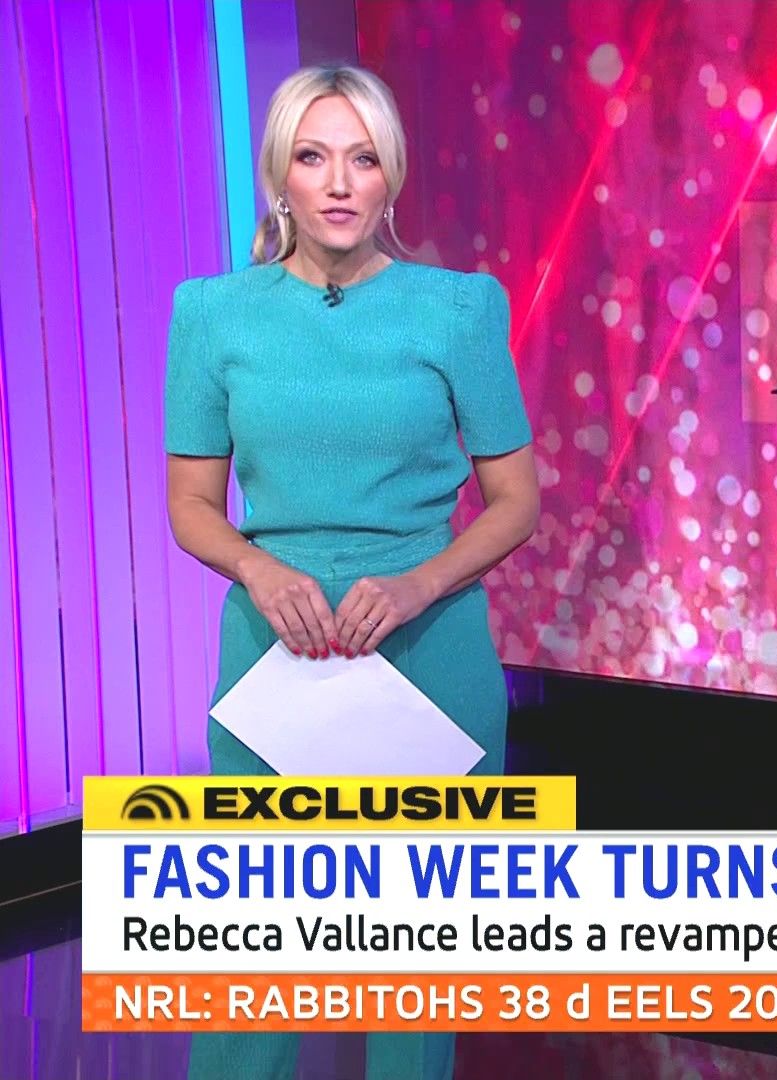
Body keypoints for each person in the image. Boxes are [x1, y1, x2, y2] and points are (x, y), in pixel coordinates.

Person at [164, 65, 538, 1080]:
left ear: (391, 176)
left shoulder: (458, 308)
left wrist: (420, 585)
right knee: (253, 979)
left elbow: (516, 500)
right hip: (274, 657)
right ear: (280, 176)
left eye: (363, 158)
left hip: (429, 651)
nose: (339, 182)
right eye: (314, 156)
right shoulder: (212, 314)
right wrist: (257, 569)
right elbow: (191, 504)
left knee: (412, 990)